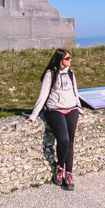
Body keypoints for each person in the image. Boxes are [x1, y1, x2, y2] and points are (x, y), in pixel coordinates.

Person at [26, 48, 84, 191]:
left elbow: (75, 91)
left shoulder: (71, 73)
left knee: (70, 141)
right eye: (67, 58)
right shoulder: (50, 74)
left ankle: (69, 174)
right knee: (63, 139)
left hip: (71, 109)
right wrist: (34, 115)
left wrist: (79, 107)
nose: (70, 60)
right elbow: (43, 95)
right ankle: (60, 167)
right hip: (55, 110)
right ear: (60, 60)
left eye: (69, 58)